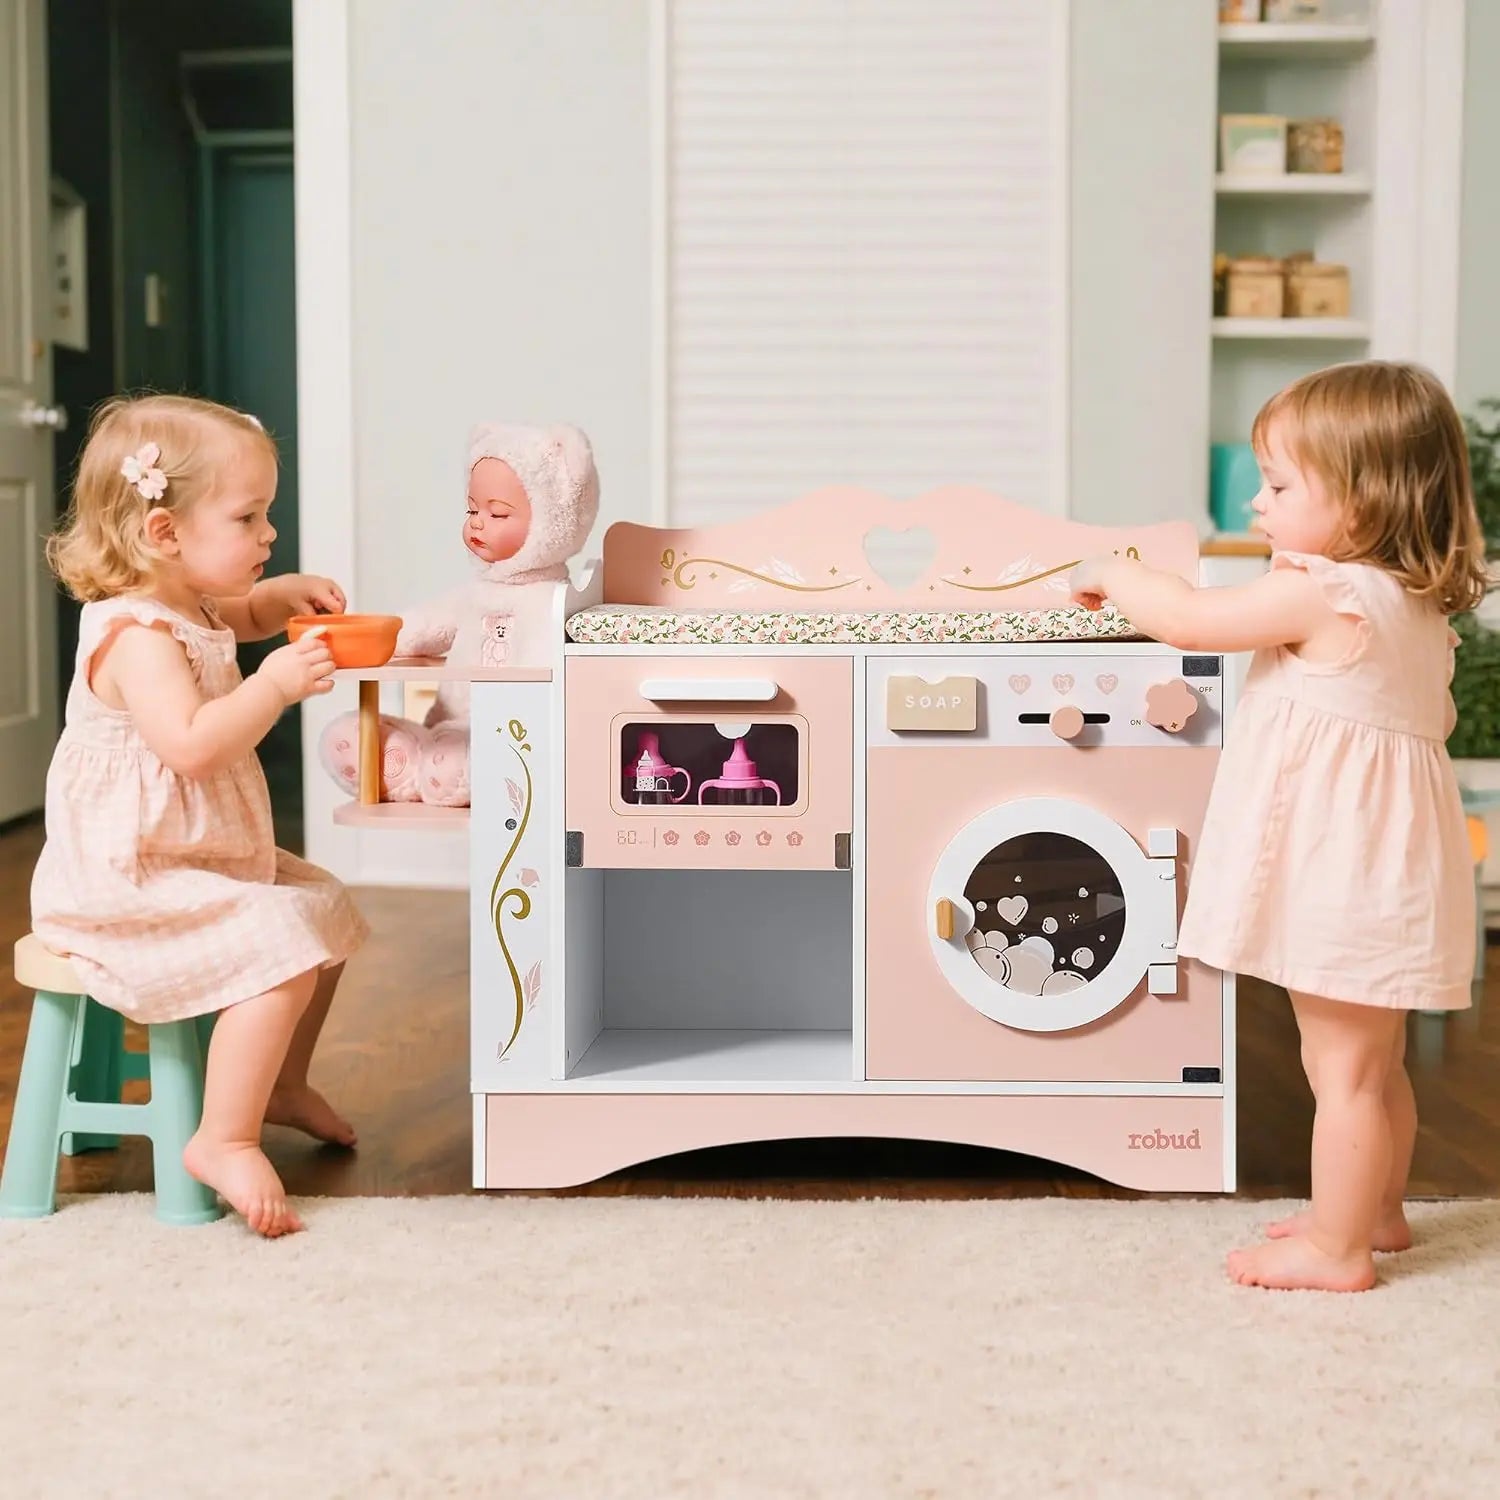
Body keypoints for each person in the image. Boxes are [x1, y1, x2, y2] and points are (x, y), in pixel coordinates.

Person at [1070, 361, 1489, 1292]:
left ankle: (1337, 1251)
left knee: (1337, 1072)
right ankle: (1374, 1211)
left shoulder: (1326, 593)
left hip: (1341, 870)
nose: (1258, 503)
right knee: (1373, 1066)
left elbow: (1189, 618)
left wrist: (1114, 571)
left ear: (1362, 501)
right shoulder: (1413, 606)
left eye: (1282, 485)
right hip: (1398, 867)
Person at [32, 394, 369, 1238]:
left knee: (323, 910)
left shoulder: (192, 602)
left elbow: (239, 619)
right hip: (129, 877)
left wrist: (280, 596)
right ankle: (222, 1136)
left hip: (194, 857)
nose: (268, 534)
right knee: (284, 941)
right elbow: (188, 746)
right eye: (250, 517)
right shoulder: (137, 636)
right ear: (164, 534)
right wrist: (275, 686)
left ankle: (281, 1083)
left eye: (269, 515)